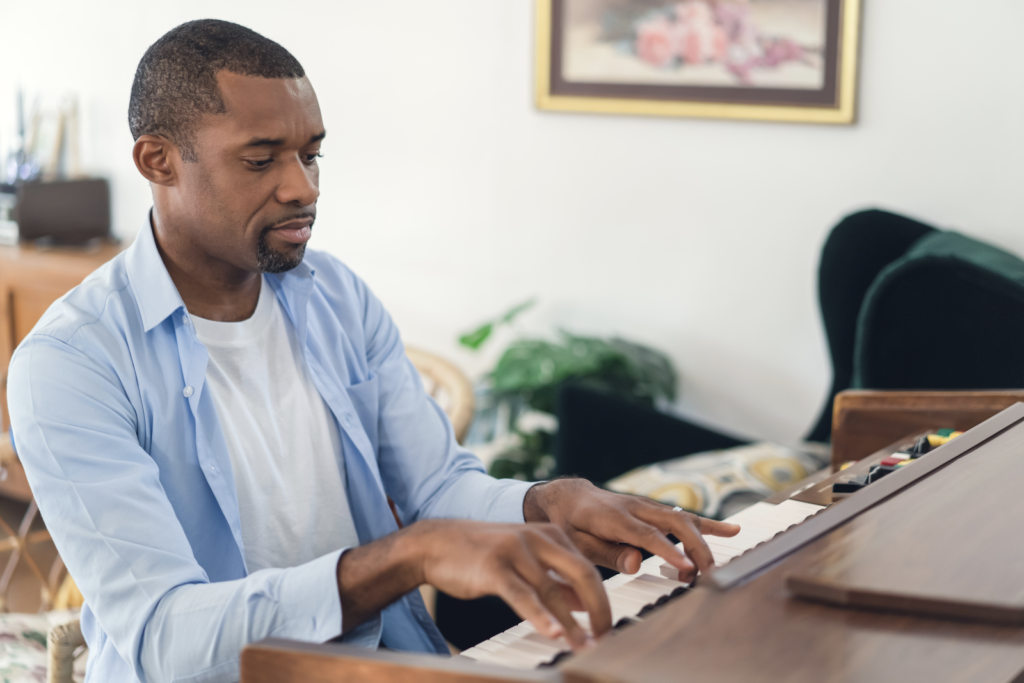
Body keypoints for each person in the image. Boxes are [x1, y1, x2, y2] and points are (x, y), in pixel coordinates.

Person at [7, 19, 739, 683]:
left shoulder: (335, 296)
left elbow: (437, 487)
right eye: (262, 160)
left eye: (311, 154)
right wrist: (405, 556)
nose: (302, 187)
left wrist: (543, 503)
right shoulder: (72, 363)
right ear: (159, 161)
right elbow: (166, 637)